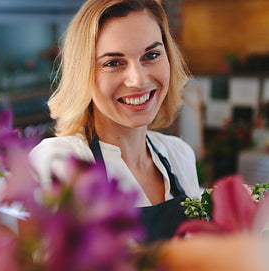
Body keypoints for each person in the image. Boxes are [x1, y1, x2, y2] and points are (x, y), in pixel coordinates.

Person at [29, 0, 201, 242]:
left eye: (151, 55)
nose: (138, 80)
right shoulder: (61, 163)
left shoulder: (179, 155)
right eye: (113, 63)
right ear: (83, 73)